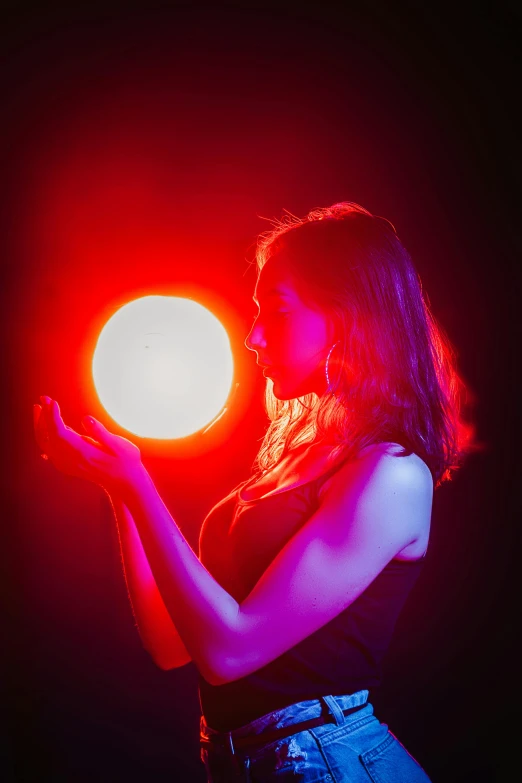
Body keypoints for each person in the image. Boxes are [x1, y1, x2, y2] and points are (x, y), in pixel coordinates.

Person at [34, 202, 477, 782]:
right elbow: (173, 644)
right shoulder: (295, 458)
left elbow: (230, 651)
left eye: (278, 312)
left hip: (327, 762)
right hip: (247, 763)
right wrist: (116, 489)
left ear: (347, 317)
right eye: (256, 312)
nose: (253, 336)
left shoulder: (390, 475)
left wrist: (137, 484)